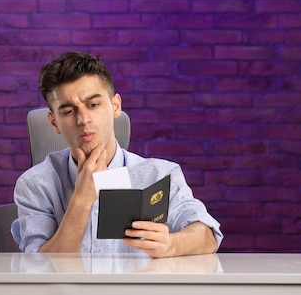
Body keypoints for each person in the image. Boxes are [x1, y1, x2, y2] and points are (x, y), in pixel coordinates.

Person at [12, 52, 223, 257]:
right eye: (68, 111)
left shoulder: (159, 174)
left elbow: (208, 234)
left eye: (93, 105)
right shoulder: (34, 184)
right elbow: (39, 267)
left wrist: (172, 245)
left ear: (115, 106)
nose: (83, 119)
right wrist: (82, 200)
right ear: (54, 122)